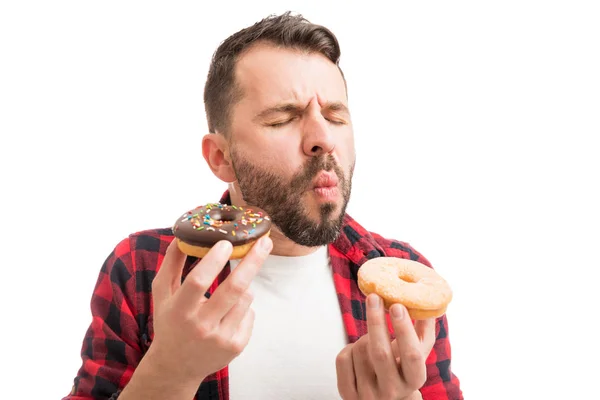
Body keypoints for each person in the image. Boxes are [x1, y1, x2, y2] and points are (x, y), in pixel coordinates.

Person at [64, 11, 462, 400]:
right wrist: (168, 373)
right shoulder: (140, 267)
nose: (322, 138)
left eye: (335, 116)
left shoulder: (405, 278)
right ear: (221, 157)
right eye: (282, 119)